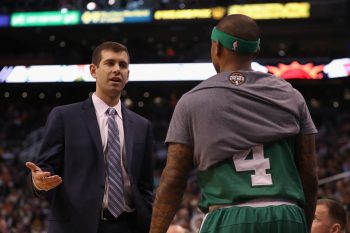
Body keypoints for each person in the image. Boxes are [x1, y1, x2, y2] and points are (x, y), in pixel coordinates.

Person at [150, 14, 318, 233]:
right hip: (287, 215)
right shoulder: (291, 95)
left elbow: (173, 179)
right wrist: (302, 224)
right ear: (255, 51)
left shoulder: (192, 101)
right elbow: (309, 175)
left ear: (217, 47)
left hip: (230, 216)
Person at [25, 41, 153, 233]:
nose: (117, 70)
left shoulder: (143, 125)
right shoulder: (64, 117)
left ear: (128, 74)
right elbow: (45, 167)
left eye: (123, 65)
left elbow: (145, 185)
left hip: (130, 226)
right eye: (109, 63)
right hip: (77, 226)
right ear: (93, 70)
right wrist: (37, 181)